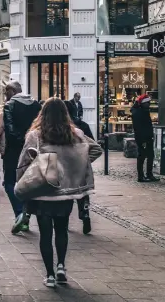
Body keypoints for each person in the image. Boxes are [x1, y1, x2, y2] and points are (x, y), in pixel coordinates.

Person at [16, 98, 102, 288]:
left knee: (45, 234)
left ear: (43, 114)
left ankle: (50, 275)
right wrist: (77, 166)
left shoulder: (35, 136)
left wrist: (22, 181)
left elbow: (23, 162)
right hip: (65, 191)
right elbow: (96, 149)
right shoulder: (76, 134)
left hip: (43, 191)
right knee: (61, 229)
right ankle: (62, 266)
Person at [3, 81, 41, 234]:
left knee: (9, 182)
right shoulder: (36, 104)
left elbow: (10, 131)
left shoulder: (9, 106)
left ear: (12, 91)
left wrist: (21, 140)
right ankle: (26, 214)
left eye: (6, 93)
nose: (5, 96)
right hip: (33, 149)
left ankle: (20, 213)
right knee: (30, 183)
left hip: (14, 151)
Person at [64, 100, 94, 234]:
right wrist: (85, 160)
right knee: (82, 192)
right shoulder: (83, 126)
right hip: (81, 166)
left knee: (68, 193)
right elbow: (94, 147)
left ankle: (65, 220)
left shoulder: (61, 128)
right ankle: (85, 213)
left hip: (67, 166)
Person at [131, 94, 159, 183]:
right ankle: (141, 176)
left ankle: (148, 174)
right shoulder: (138, 112)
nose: (149, 104)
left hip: (147, 137)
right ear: (143, 103)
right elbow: (138, 127)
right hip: (143, 138)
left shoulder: (143, 110)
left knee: (150, 155)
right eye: (147, 102)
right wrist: (142, 140)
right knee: (142, 156)